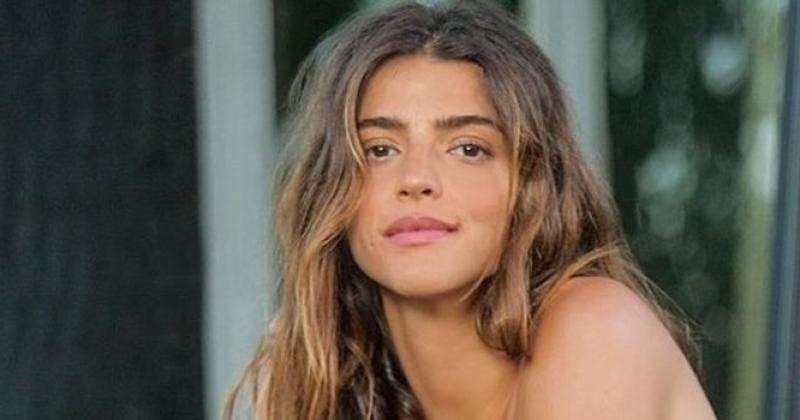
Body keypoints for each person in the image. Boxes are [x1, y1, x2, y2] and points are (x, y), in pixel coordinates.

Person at [226, 1, 718, 418]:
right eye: (379, 150)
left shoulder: (595, 330)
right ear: (331, 189)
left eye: (468, 149)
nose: (416, 180)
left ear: (532, 186)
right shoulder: (314, 372)